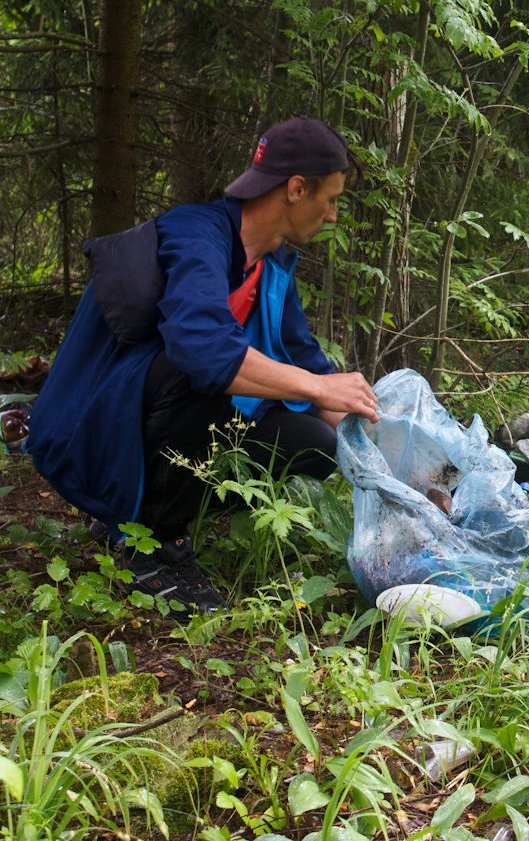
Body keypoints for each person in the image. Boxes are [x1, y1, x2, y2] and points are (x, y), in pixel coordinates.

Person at [28, 117, 380, 617]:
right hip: (90, 434)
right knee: (198, 370)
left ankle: (137, 511)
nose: (333, 216)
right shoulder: (196, 232)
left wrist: (396, 463)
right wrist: (318, 387)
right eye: (332, 199)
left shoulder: (272, 267)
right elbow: (204, 352)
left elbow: (309, 368)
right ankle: (153, 545)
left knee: (318, 445)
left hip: (158, 422)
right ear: (297, 189)